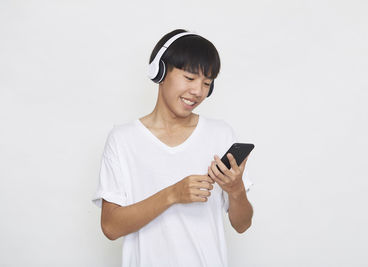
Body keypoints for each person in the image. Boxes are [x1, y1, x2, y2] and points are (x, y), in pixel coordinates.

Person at [92, 29, 254, 267]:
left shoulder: (220, 134)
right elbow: (110, 227)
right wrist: (173, 194)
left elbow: (242, 225)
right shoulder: (123, 140)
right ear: (160, 71)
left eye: (207, 83)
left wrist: (236, 189)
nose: (198, 91)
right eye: (189, 78)